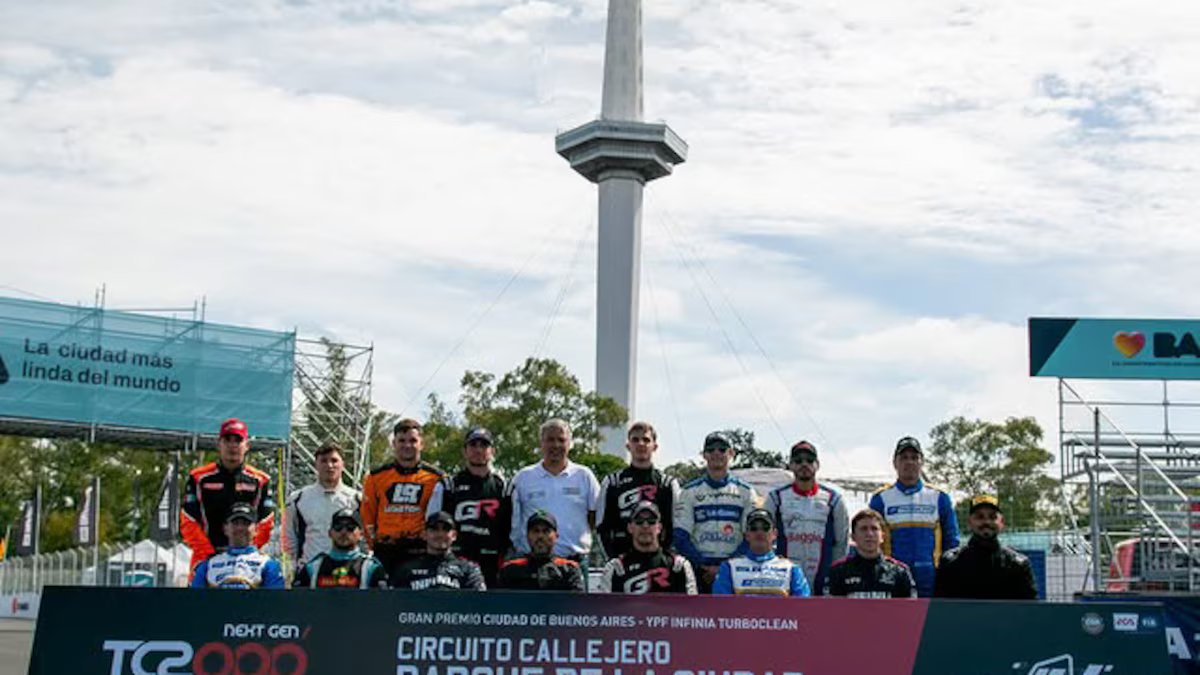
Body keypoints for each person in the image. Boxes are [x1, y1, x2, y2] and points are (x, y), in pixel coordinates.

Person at [181, 418, 276, 576]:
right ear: (219, 444)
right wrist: (209, 554)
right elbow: (188, 521)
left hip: (247, 560)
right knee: (197, 600)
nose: (232, 445)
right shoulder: (198, 478)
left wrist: (245, 551)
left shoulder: (261, 480)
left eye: (238, 440)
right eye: (227, 440)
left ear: (247, 446)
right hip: (206, 557)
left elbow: (266, 523)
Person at [868, 436, 960, 597]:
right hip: (892, 577)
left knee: (930, 622)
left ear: (922, 462)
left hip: (932, 578)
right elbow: (869, 539)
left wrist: (948, 574)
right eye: (903, 458)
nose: (909, 462)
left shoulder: (939, 497)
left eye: (914, 457)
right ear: (895, 463)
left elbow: (952, 542)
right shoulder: (881, 498)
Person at [673, 431, 759, 593]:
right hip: (699, 571)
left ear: (731, 453)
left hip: (735, 570)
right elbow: (680, 536)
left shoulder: (746, 492)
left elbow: (752, 537)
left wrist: (726, 567)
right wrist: (702, 565)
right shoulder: (689, 492)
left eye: (722, 449)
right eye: (711, 450)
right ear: (704, 455)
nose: (716, 453)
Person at [507, 419, 600, 564]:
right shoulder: (523, 477)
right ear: (541, 443)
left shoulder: (584, 476)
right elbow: (513, 518)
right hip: (531, 563)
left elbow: (595, 515)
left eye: (561, 440)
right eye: (550, 440)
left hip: (575, 561)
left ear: (570, 443)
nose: (555, 445)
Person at [361, 418, 447, 573]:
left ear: (421, 444)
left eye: (413, 440)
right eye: (402, 440)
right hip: (385, 551)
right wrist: (374, 544)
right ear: (394, 444)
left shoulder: (437, 479)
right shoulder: (375, 477)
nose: (407, 445)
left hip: (420, 550)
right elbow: (367, 517)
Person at [765, 440, 848, 595]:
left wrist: (834, 576)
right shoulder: (775, 498)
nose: (804, 464)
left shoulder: (834, 499)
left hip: (822, 580)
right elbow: (765, 539)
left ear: (817, 465)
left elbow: (841, 542)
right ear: (790, 465)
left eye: (809, 460)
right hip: (783, 580)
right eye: (798, 461)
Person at [597, 421, 680, 559]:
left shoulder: (667, 484)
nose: (641, 444)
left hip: (659, 563)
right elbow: (602, 528)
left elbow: (675, 528)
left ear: (655, 446)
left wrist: (666, 560)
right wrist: (613, 561)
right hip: (622, 561)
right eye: (635, 439)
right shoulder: (612, 482)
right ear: (628, 446)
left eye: (646, 440)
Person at [441, 427, 511, 587]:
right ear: (465, 451)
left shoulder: (504, 486)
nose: (478, 450)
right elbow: (433, 521)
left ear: (492, 451)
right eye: (473, 445)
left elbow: (514, 525)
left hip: (493, 561)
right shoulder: (449, 485)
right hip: (456, 560)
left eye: (484, 445)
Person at [935, 495, 1039, 600]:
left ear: (1002, 523)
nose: (987, 522)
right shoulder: (950, 563)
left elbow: (1030, 611)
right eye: (980, 517)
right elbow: (941, 609)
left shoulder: (1018, 565)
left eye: (992, 517)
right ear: (969, 523)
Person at [283, 442, 361, 565]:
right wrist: (292, 568)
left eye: (334, 460)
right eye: (324, 461)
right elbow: (289, 539)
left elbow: (365, 540)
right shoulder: (297, 499)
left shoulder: (357, 499)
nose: (329, 465)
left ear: (342, 465)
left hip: (348, 571)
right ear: (316, 465)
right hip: (310, 571)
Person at [598, 501, 696, 594]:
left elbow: (691, 608)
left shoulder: (678, 566)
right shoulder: (616, 568)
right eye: (639, 521)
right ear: (630, 528)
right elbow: (605, 608)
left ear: (659, 528)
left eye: (651, 521)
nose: (645, 526)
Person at [713, 508, 810, 597]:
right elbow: (722, 607)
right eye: (754, 528)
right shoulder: (729, 567)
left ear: (774, 534)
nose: (759, 532)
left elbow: (803, 607)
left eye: (765, 527)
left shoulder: (791, 569)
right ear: (746, 535)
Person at [824, 508, 917, 598]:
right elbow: (830, 610)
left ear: (882, 536)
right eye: (863, 529)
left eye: (874, 529)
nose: (869, 534)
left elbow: (912, 610)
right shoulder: (838, 572)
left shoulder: (900, 572)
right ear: (853, 537)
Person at [191, 504, 285, 589]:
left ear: (256, 529)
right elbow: (194, 601)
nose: (240, 528)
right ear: (225, 528)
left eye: (246, 523)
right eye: (235, 523)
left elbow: (274, 603)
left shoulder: (268, 564)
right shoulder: (208, 565)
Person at [293, 508, 388, 589]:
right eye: (338, 526)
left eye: (350, 527)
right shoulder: (312, 568)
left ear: (361, 534)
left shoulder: (371, 568)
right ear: (329, 533)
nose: (344, 532)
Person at [389, 512, 486, 591]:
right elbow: (395, 605)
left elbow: (478, 603)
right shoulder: (406, 570)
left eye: (446, 529)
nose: (440, 534)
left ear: (454, 535)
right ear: (424, 535)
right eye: (434, 529)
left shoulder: (469, 569)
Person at [496, 511, 586, 591]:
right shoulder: (510, 569)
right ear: (527, 536)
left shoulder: (569, 569)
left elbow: (578, 605)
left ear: (556, 536)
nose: (540, 536)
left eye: (546, 531)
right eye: (535, 531)